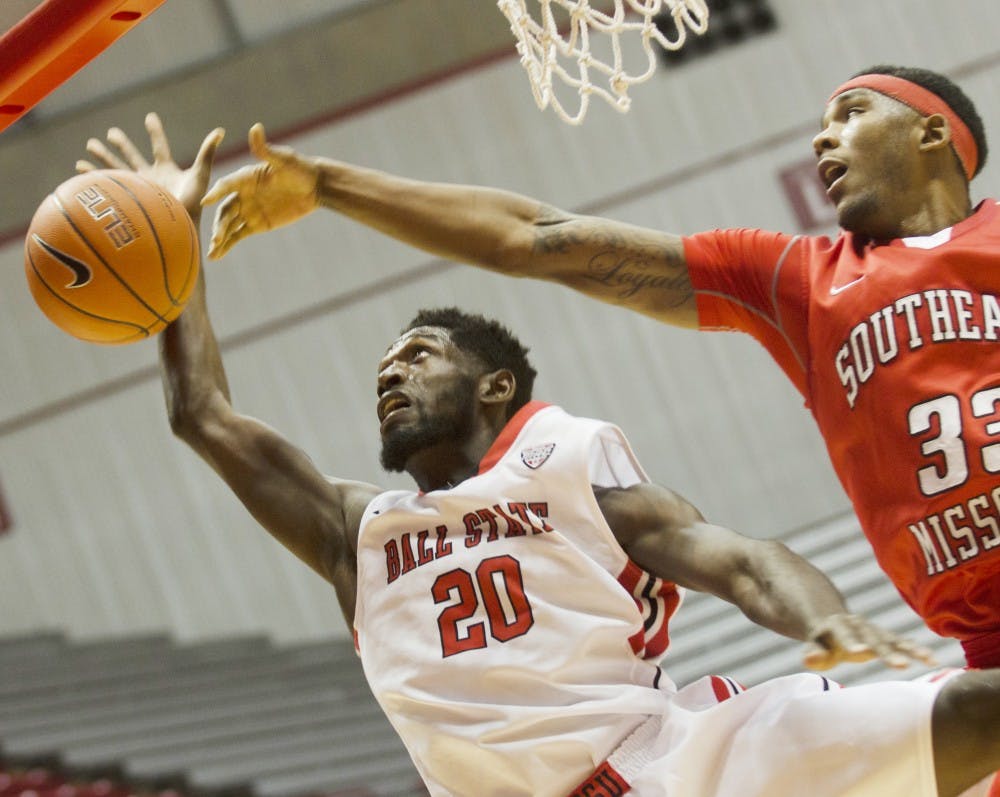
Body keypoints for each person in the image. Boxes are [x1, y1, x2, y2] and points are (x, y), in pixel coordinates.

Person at [79, 114, 1000, 797]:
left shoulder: (567, 460)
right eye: (382, 366)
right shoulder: (352, 527)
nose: (390, 375)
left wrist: (823, 625)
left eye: (418, 355)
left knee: (974, 712)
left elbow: (738, 558)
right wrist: (173, 237)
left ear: (495, 388)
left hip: (679, 767)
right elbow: (199, 413)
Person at [198, 64, 1000, 671]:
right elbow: (532, 237)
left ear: (934, 133)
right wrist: (330, 186)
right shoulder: (790, 279)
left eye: (851, 114)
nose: (823, 139)